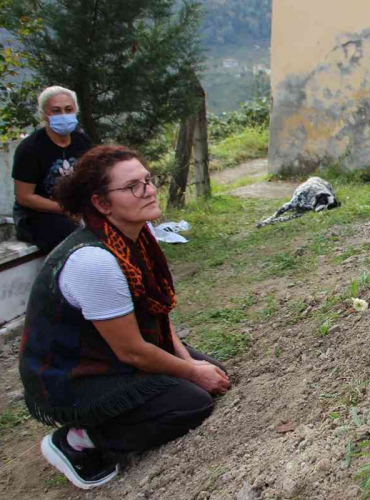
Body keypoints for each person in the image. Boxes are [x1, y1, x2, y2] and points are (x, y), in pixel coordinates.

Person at [18, 145, 231, 490]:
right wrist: (191, 371)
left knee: (214, 374)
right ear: (102, 203)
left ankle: (152, 395)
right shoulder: (94, 260)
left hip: (113, 350)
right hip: (73, 376)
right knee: (191, 404)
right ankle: (79, 440)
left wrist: (185, 359)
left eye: (148, 180)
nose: (148, 190)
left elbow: (157, 313)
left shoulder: (137, 236)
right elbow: (131, 352)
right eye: (133, 186)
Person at [11, 86, 93, 252]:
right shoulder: (30, 148)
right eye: (56, 110)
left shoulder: (82, 141)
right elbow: (24, 197)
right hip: (37, 215)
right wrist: (66, 209)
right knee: (75, 237)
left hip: (74, 208)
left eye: (68, 109)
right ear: (44, 115)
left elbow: (92, 178)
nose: (63, 114)